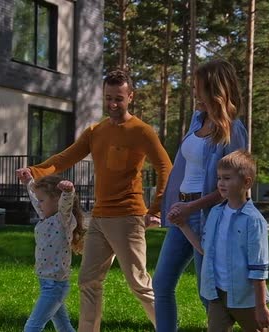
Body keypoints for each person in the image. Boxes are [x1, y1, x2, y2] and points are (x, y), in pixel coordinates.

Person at [16, 69, 173, 331]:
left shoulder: (142, 131)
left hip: (128, 217)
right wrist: (35, 171)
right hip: (99, 218)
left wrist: (156, 208)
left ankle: (167, 327)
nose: (112, 104)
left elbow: (166, 168)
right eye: (108, 98)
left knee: (138, 283)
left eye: (118, 99)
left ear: (130, 97)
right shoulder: (95, 131)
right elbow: (65, 158)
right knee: (88, 282)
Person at [153, 59, 248, 332]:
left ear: (215, 89)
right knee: (162, 284)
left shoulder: (233, 130)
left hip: (209, 217)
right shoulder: (197, 119)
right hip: (182, 213)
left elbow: (231, 186)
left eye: (199, 87)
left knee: (208, 294)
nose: (195, 92)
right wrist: (175, 205)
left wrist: (193, 207)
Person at [200, 150, 269, 331]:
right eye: (219, 178)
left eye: (227, 178)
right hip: (217, 295)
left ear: (246, 182)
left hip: (246, 299)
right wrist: (183, 226)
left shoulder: (253, 220)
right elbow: (205, 249)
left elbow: (259, 267)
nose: (220, 183)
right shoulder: (216, 213)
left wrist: (260, 306)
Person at [22, 174, 86, 332]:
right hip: (47, 284)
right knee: (63, 326)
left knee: (32, 327)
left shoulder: (63, 219)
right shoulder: (46, 217)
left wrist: (68, 192)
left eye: (42, 200)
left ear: (57, 199)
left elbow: (65, 205)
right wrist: (28, 182)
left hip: (55, 286)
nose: (39, 204)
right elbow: (36, 200)